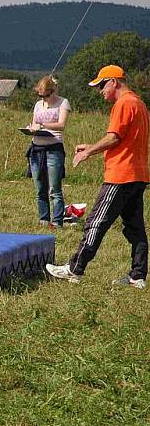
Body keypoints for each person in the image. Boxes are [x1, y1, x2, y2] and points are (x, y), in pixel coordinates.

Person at [46, 65, 148, 288]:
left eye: (102, 85)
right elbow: (125, 139)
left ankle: (75, 268)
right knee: (135, 228)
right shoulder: (139, 103)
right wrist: (92, 145)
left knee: (95, 222)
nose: (100, 90)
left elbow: (114, 138)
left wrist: (88, 152)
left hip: (120, 175)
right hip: (139, 175)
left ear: (114, 82)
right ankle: (138, 276)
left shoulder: (123, 104)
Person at [26, 76, 71, 228]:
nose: (44, 98)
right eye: (41, 95)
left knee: (54, 188)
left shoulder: (63, 102)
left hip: (54, 148)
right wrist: (31, 128)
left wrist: (43, 124)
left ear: (53, 91)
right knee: (40, 187)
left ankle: (57, 221)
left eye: (46, 95)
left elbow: (62, 125)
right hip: (36, 148)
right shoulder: (38, 105)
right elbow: (34, 123)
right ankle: (43, 218)